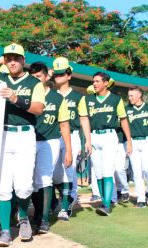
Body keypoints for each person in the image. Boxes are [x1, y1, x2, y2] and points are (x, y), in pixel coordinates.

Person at [0, 43, 45, 247]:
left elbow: (39, 108)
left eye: (16, 58)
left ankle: (23, 217)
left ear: (23, 60)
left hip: (24, 135)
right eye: (8, 58)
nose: (12, 61)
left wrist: (15, 98)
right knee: (3, 187)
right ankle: (5, 231)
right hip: (1, 133)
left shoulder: (33, 82)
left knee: (23, 186)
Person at [29, 62, 72, 233]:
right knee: (32, 181)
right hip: (29, 140)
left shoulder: (57, 98)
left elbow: (64, 125)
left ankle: (45, 219)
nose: (36, 80)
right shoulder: (27, 95)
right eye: (33, 77)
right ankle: (38, 213)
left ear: (47, 77)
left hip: (51, 141)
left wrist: (68, 150)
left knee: (45, 178)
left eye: (39, 76)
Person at [81, 72, 131, 216]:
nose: (94, 84)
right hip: (94, 136)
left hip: (110, 136)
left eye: (97, 81)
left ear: (106, 83)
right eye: (93, 81)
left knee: (107, 171)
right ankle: (104, 201)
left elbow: (123, 120)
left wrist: (129, 141)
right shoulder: (87, 100)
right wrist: (88, 141)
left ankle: (107, 205)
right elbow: (84, 120)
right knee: (98, 173)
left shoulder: (116, 99)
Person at [50, 57, 92, 221]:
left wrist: (87, 140)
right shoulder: (51, 95)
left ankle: (67, 205)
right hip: (54, 136)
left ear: (69, 75)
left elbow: (83, 119)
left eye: (62, 74)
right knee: (53, 172)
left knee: (69, 170)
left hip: (72, 135)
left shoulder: (78, 97)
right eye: (57, 74)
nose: (58, 77)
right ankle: (59, 200)